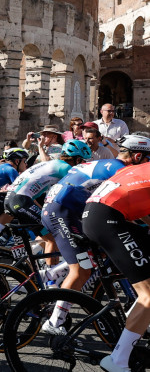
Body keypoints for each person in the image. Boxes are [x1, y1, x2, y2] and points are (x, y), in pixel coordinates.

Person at [38, 134, 150, 337]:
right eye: (148, 159)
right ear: (137, 157)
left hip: (67, 209)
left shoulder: (109, 163)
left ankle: (54, 273)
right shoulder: (120, 169)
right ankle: (55, 320)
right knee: (82, 270)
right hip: (63, 211)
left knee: (104, 249)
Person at [82, 159, 150, 372]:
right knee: (149, 293)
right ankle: (117, 360)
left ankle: (141, 320)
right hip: (107, 218)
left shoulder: (143, 169)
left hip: (100, 214)